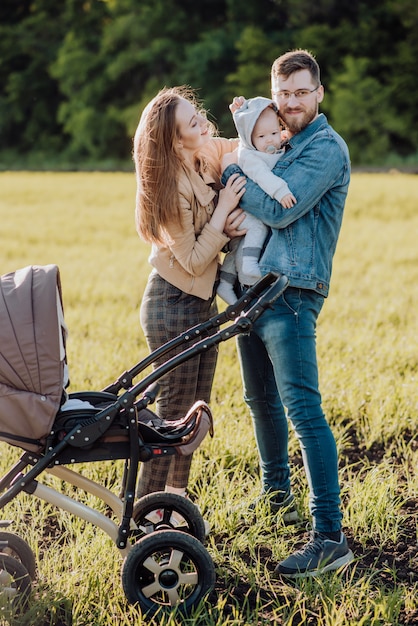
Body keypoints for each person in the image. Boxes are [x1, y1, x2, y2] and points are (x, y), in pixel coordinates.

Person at [221, 49, 354, 577]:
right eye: (283, 94)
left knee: (303, 410)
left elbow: (282, 206)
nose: (292, 102)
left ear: (319, 93)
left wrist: (232, 174)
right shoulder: (280, 143)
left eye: (301, 92)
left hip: (293, 292)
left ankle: (329, 537)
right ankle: (276, 500)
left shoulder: (325, 148)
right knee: (261, 403)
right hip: (257, 292)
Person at [133, 86, 245, 509]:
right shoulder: (167, 190)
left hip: (201, 304)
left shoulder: (202, 152)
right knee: (170, 417)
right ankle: (146, 511)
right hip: (171, 305)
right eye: (191, 121)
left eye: (195, 111)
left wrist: (256, 118)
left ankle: (175, 505)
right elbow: (196, 260)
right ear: (175, 140)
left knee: (195, 414)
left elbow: (244, 146)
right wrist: (223, 213)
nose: (201, 120)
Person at [217, 96, 296, 305]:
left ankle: (225, 284)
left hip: (243, 209)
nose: (270, 140)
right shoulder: (248, 156)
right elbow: (263, 176)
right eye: (261, 136)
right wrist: (281, 192)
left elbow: (276, 145)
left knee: (239, 247)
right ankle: (250, 266)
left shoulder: (271, 145)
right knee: (257, 226)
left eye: (274, 133)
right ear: (248, 139)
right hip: (240, 211)